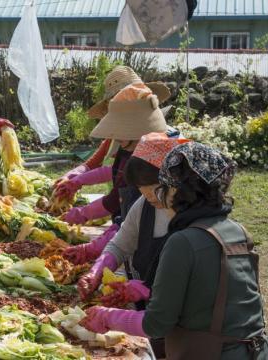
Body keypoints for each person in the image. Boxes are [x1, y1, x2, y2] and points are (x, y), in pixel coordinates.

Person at [81, 142, 268, 360]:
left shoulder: (183, 241)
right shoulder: (237, 231)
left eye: (164, 187)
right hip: (255, 353)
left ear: (177, 191)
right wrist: (149, 292)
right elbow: (211, 298)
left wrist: (107, 317)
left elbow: (156, 324)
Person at [70, 133, 188, 358]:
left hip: (187, 333)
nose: (147, 198)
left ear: (171, 181)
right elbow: (120, 244)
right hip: (153, 317)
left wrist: (147, 291)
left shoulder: (194, 224)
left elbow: (181, 303)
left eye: (152, 191)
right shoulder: (144, 205)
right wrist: (96, 272)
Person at [53, 65, 171, 199]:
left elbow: (118, 171)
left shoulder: (154, 140)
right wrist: (70, 177)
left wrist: (79, 182)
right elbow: (93, 163)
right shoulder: (117, 136)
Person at [62, 83, 169, 229]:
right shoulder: (128, 147)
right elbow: (112, 170)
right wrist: (78, 179)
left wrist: (82, 213)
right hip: (126, 226)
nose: (116, 137)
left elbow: (113, 200)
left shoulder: (150, 158)